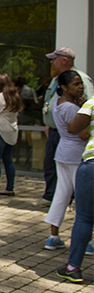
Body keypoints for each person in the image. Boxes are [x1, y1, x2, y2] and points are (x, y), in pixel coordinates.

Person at [38, 47, 94, 207]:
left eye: (54, 59)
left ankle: (78, 203)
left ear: (64, 60)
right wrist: (50, 123)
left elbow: (87, 105)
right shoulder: (56, 79)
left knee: (75, 176)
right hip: (57, 131)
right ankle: (52, 196)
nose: (51, 62)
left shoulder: (81, 79)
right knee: (51, 167)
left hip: (75, 137)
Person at [42, 70, 87, 250]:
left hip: (63, 153)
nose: (80, 87)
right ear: (64, 87)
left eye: (80, 83)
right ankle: (88, 241)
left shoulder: (59, 104)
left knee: (62, 194)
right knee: (84, 197)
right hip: (76, 154)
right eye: (76, 84)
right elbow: (82, 133)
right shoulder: (71, 108)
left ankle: (53, 236)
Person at [56, 96, 94, 283]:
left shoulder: (92, 102)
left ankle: (73, 267)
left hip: (91, 164)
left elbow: (74, 128)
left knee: (85, 218)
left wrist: (83, 106)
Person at [0, 73, 24, 198]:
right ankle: (10, 188)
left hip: (0, 132)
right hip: (11, 131)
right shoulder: (15, 96)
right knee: (8, 161)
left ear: (0, 84)